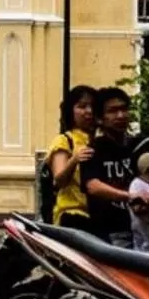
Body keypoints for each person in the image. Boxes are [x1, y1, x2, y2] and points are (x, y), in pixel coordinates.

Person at [83, 88, 141, 240]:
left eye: (124, 109)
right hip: (111, 233)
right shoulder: (93, 150)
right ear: (100, 118)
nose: (120, 115)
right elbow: (93, 186)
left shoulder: (139, 145)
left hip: (144, 229)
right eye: (113, 111)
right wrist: (130, 196)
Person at [47, 85, 99, 226]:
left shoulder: (101, 140)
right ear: (71, 111)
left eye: (92, 107)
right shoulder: (65, 140)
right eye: (82, 107)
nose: (88, 111)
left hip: (100, 215)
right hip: (72, 213)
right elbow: (59, 180)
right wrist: (74, 160)